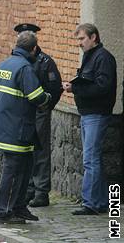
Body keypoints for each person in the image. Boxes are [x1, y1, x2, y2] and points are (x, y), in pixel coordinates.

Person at [0, 30, 51, 224]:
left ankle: (18, 208)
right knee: (13, 173)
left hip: (9, 126)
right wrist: (48, 98)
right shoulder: (25, 68)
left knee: (24, 170)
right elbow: (36, 96)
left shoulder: (5, 64)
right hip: (17, 128)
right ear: (34, 49)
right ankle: (3, 212)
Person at [62, 23, 116, 215]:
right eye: (78, 39)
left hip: (96, 114)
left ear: (94, 37)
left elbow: (103, 87)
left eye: (82, 38)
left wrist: (75, 88)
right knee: (94, 159)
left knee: (90, 160)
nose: (79, 43)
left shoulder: (103, 58)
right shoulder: (90, 56)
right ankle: (100, 202)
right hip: (88, 113)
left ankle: (91, 203)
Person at [13, 23, 63, 207]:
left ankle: (41, 192)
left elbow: (55, 87)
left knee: (40, 152)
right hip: (21, 113)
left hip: (38, 112)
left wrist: (46, 107)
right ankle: (27, 190)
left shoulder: (44, 61)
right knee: (24, 152)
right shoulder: (16, 61)